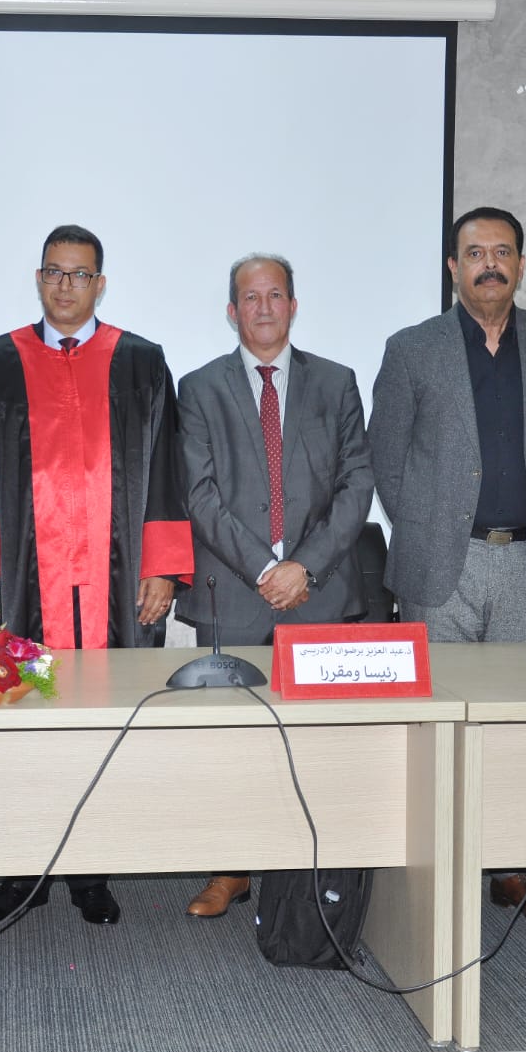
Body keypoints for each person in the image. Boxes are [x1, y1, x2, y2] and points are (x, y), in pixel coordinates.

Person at [0, 223, 193, 925]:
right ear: (38, 278)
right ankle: (18, 870)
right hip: (21, 578)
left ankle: (92, 871)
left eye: (79, 274)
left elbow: (167, 469)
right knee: (11, 713)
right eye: (54, 272)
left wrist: (162, 569)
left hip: (119, 579)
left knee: (108, 720)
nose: (66, 285)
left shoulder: (141, 360)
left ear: (100, 283)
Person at [370, 207, 526, 927]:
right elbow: (386, 457)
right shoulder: (412, 348)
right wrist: (430, 530)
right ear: (452, 267)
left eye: (503, 251)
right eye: (475, 252)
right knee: (435, 726)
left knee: (519, 725)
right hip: (440, 566)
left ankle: (512, 870)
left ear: (520, 264)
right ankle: (435, 873)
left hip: (524, 559)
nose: (490, 263)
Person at [175, 254, 374, 917]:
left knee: (315, 743)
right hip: (233, 595)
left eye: (275, 294)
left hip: (319, 592)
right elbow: (199, 494)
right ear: (232, 311)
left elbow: (357, 484)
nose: (263, 307)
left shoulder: (337, 383)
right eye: (250, 297)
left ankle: (308, 875)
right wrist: (265, 569)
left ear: (293, 305)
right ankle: (229, 869)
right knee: (229, 745)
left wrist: (303, 568)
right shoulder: (199, 388)